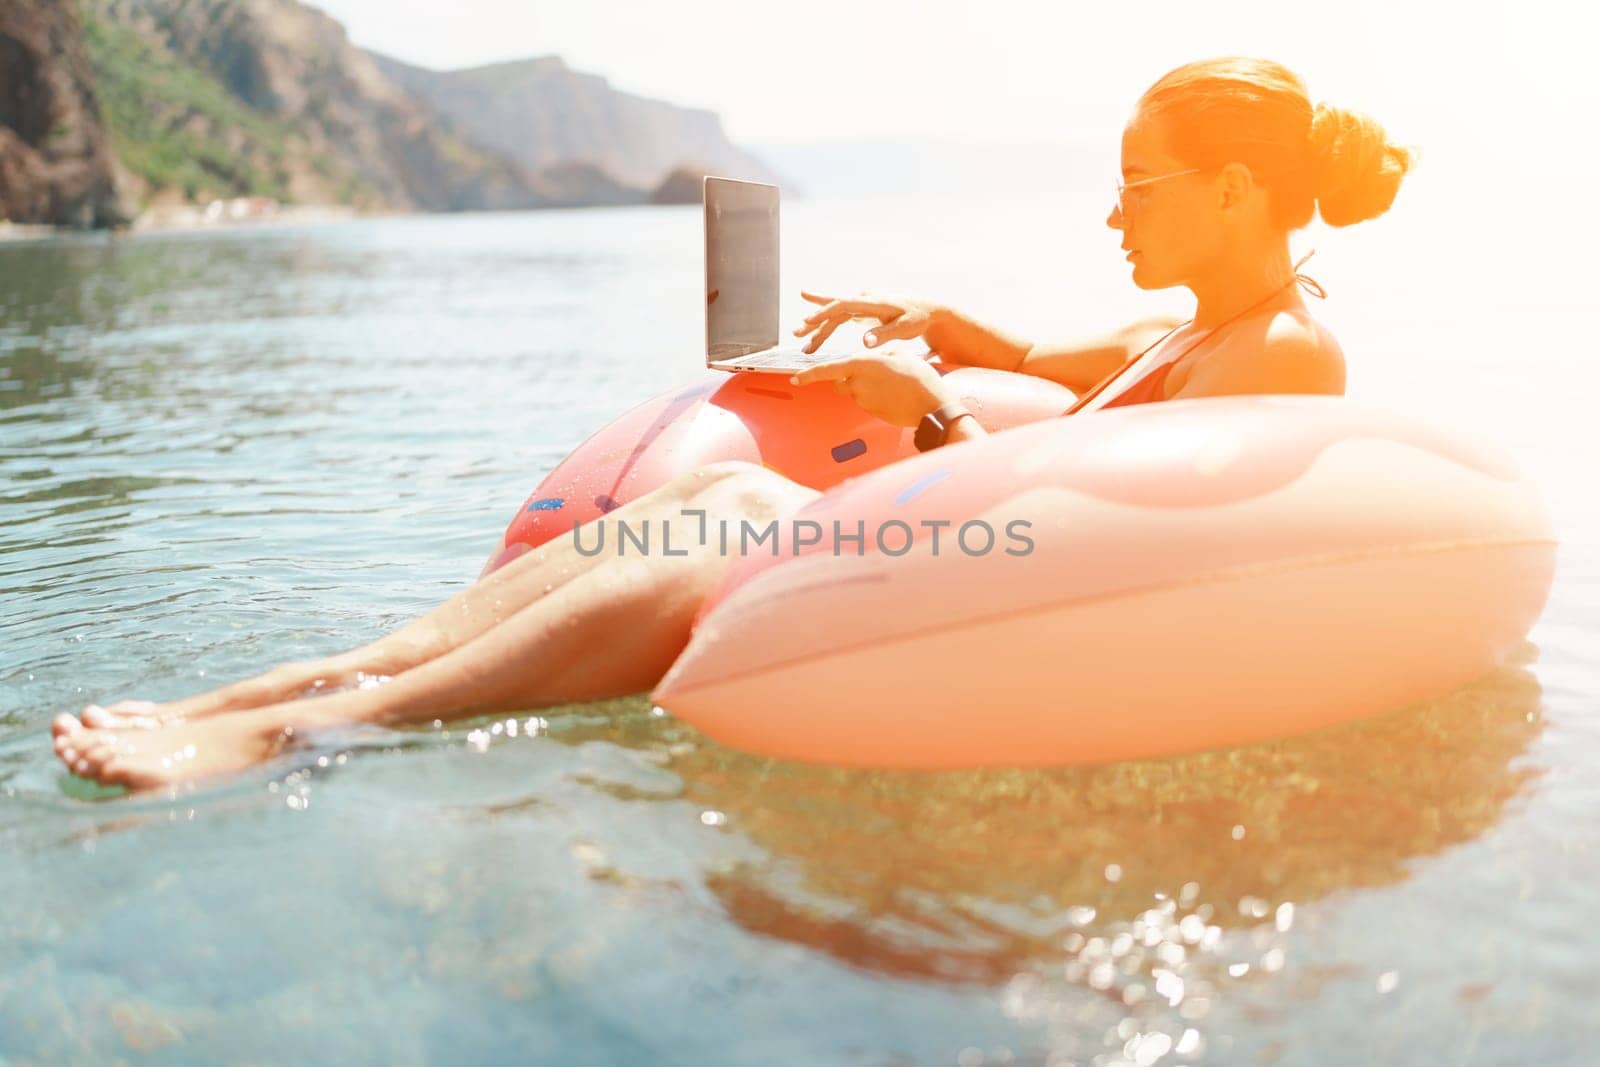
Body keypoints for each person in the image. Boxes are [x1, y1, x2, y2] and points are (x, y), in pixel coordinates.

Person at [50, 56, 1414, 791]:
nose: (1117, 213)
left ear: (1235, 193)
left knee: (751, 524)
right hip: (973, 583)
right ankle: (294, 685)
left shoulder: (1285, 354)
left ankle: (313, 733)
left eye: (1143, 186)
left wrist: (926, 413)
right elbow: (1021, 358)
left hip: (1033, 636)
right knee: (729, 506)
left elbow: (1119, 550)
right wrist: (924, 319)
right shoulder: (1175, 334)